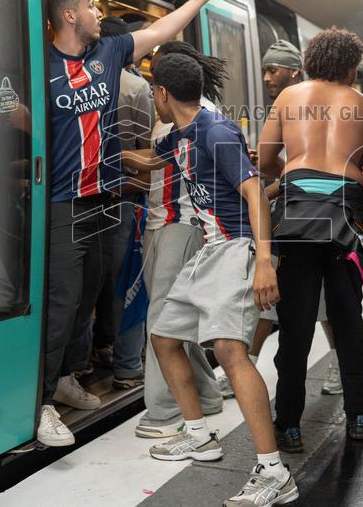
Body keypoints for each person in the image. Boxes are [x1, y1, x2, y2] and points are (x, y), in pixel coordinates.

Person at [37, 0, 219, 447]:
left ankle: (65, 377)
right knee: (62, 304)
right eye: (90, 5)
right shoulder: (41, 66)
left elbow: (161, 31)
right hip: (63, 204)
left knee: (88, 298)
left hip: (105, 200)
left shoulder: (108, 53)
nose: (98, 12)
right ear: (69, 15)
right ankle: (41, 403)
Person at [122, 52, 298, 506]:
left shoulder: (214, 131)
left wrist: (263, 261)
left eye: (153, 93)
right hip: (209, 251)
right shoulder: (181, 133)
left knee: (230, 352)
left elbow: (255, 193)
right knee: (164, 337)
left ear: (162, 93)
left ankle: (274, 472)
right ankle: (199, 436)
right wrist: (106, 156)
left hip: (236, 249)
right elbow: (152, 160)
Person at [258, 27, 363, 453]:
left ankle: (289, 424)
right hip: (345, 213)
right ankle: (357, 415)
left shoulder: (288, 97)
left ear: (311, 61)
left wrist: (295, 173)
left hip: (297, 212)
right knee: (348, 321)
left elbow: (265, 159)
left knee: (296, 325)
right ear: (350, 66)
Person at [229, 39, 344, 405]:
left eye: (273, 70)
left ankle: (336, 364)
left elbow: (304, 164)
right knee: (274, 290)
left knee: (319, 297)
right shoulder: (293, 101)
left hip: (311, 213)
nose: (266, 77)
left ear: (295, 71)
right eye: (264, 70)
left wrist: (277, 181)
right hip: (303, 211)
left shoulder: (300, 102)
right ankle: (246, 363)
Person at [135, 40, 229, 439]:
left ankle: (166, 410)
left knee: (161, 320)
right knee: (175, 318)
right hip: (162, 221)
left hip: (183, 223)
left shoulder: (198, 117)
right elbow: (156, 160)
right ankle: (206, 393)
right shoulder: (181, 114)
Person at [87, 16, 153, 390]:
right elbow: (147, 150)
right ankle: (120, 357)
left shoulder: (75, 79)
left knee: (87, 280)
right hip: (123, 196)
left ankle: (81, 359)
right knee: (120, 277)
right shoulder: (136, 87)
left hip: (80, 197)